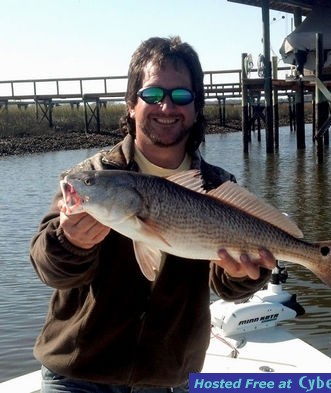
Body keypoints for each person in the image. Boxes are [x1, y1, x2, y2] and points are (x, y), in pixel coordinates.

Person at [30, 36, 276, 393]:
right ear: (131, 104)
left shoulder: (218, 188)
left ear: (195, 108)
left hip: (165, 380)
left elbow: (225, 285)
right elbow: (47, 267)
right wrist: (69, 243)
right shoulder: (92, 176)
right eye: (152, 95)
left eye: (181, 96)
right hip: (77, 372)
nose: (166, 107)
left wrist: (243, 276)